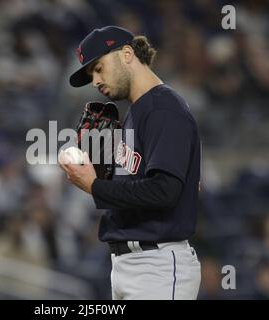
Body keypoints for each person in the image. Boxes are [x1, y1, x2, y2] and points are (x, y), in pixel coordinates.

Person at [59, 26, 202, 300]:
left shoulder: (163, 109)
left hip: (157, 265)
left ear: (126, 54)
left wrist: (94, 185)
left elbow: (164, 191)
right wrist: (101, 171)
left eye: (99, 68)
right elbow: (147, 188)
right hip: (132, 265)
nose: (95, 81)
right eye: (91, 75)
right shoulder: (139, 110)